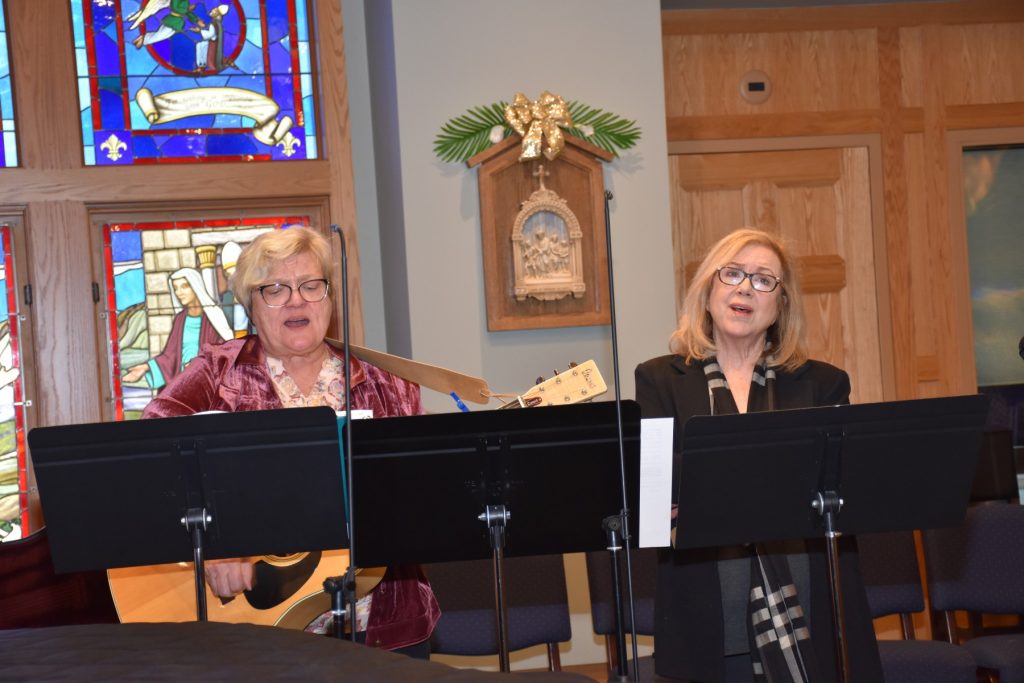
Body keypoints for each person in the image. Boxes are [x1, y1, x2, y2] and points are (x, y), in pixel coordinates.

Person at [142, 227, 440, 655]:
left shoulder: (387, 384)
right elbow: (149, 459)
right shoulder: (217, 373)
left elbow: (425, 493)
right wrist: (215, 549)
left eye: (311, 285)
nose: (296, 300)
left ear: (330, 299)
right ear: (251, 305)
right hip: (257, 634)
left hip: (382, 625)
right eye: (275, 289)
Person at [635, 228, 882, 682]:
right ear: (708, 289)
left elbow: (840, 492)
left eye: (764, 279)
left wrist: (704, 489)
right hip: (705, 608)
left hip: (809, 605)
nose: (745, 288)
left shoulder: (824, 384)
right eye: (732, 273)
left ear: (781, 304)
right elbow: (654, 496)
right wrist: (773, 480)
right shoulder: (659, 381)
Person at [122, 267, 233, 391]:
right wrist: (145, 367)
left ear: (195, 286)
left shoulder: (214, 317)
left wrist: (199, 363)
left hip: (207, 385)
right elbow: (170, 357)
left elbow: (225, 352)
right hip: (183, 383)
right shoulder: (180, 319)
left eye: (184, 286)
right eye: (175, 288)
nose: (179, 293)